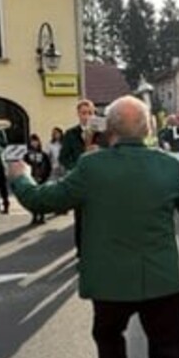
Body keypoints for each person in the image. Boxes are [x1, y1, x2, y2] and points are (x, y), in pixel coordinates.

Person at [8, 95, 179, 358]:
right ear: (148, 129)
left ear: (108, 130)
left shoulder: (92, 166)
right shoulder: (167, 164)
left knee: (109, 338)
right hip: (161, 281)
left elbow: (44, 200)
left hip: (111, 284)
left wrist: (21, 176)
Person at [59, 99, 105, 254]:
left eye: (90, 113)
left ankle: (98, 249)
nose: (87, 116)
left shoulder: (103, 133)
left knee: (100, 217)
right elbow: (64, 158)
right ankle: (81, 251)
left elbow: (112, 153)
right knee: (80, 218)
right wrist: (77, 167)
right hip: (80, 180)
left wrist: (100, 151)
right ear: (78, 114)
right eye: (84, 113)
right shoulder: (70, 134)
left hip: (100, 180)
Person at [22, 133, 52, 225]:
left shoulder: (43, 154)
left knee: (42, 198)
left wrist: (45, 177)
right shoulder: (27, 155)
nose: (34, 143)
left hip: (41, 179)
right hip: (31, 179)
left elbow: (48, 167)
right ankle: (34, 216)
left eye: (35, 141)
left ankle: (42, 216)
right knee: (33, 199)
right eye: (32, 141)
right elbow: (24, 166)